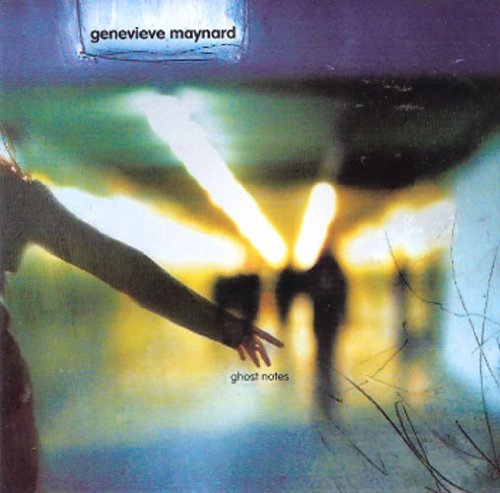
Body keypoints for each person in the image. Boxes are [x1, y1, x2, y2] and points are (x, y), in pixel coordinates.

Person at [0, 145, 283, 492]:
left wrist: (226, 326)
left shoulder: (15, 195)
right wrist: (225, 326)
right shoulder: (14, 194)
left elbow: (125, 268)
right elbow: (124, 268)